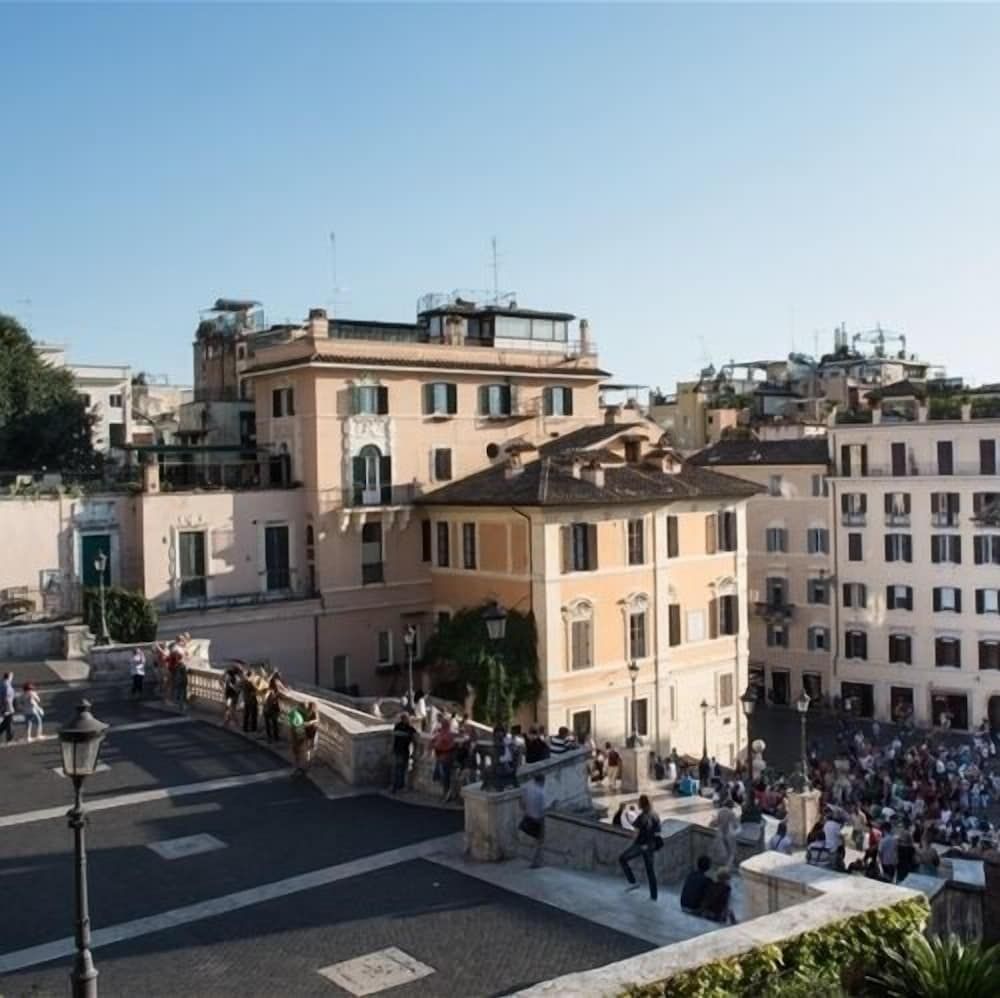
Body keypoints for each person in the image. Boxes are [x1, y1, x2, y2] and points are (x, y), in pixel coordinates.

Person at [619, 794, 661, 901]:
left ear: (641, 804)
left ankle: (633, 882)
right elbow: (658, 832)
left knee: (622, 858)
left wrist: (635, 844)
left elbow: (636, 829)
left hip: (641, 845)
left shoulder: (642, 816)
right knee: (650, 871)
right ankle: (654, 896)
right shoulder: (655, 814)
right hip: (650, 845)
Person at [520, 773, 547, 868]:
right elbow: (543, 812)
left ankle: (533, 860)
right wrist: (543, 827)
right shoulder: (541, 793)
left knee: (530, 840)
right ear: (542, 781)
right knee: (539, 842)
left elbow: (522, 802)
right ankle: (536, 863)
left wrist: (525, 811)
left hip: (527, 817)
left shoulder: (527, 788)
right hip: (537, 820)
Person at [390, 712, 416, 792]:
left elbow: (414, 735)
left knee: (400, 769)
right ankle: (397, 786)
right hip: (400, 750)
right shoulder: (403, 727)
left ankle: (398, 786)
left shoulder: (407, 727)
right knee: (398, 769)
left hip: (403, 751)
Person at [432, 718, 456, 801]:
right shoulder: (442, 733)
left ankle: (447, 794)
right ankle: (445, 794)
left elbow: (445, 744)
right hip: (441, 758)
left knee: (445, 777)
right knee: (443, 777)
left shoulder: (448, 734)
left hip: (445, 758)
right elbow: (435, 742)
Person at [222, 664, 242, 728]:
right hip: (229, 693)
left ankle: (230, 722)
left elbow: (238, 686)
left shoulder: (238, 674)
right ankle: (231, 722)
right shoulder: (229, 672)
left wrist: (230, 685)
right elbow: (222, 679)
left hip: (233, 694)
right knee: (230, 708)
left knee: (231, 708)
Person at [241, 668, 260, 733]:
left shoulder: (243, 682)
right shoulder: (250, 683)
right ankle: (253, 728)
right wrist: (254, 684)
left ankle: (245, 728)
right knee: (253, 715)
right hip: (252, 701)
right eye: (253, 675)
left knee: (246, 715)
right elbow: (256, 691)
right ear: (250, 675)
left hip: (246, 700)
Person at [302, 702, 320, 768]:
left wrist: (309, 722)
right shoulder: (314, 712)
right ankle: (311, 761)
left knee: (308, 747)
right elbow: (317, 720)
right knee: (313, 747)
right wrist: (311, 722)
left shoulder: (306, 713)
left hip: (309, 731)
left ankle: (308, 761)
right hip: (313, 731)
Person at [0, 672, 16, 743]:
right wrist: (7, 708)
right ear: (9, 677)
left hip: (4, 706)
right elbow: (7, 698)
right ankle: (10, 738)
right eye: (11, 677)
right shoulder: (7, 686)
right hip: (7, 707)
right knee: (9, 723)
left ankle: (9, 738)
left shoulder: (2, 683)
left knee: (6, 722)